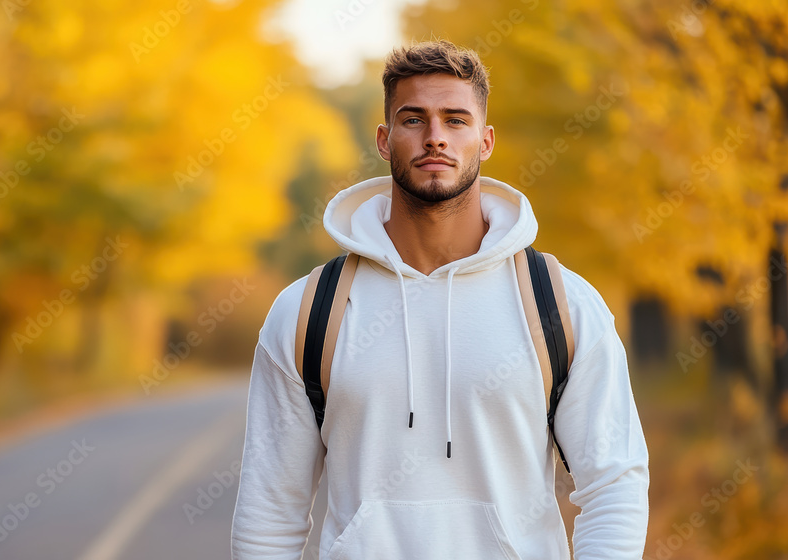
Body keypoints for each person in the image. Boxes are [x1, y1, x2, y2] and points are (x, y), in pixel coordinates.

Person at [231, 40, 649, 560]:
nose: (435, 138)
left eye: (456, 120)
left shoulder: (559, 304)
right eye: (413, 120)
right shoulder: (309, 312)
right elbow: (270, 509)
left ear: (486, 139)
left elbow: (615, 483)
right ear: (384, 140)